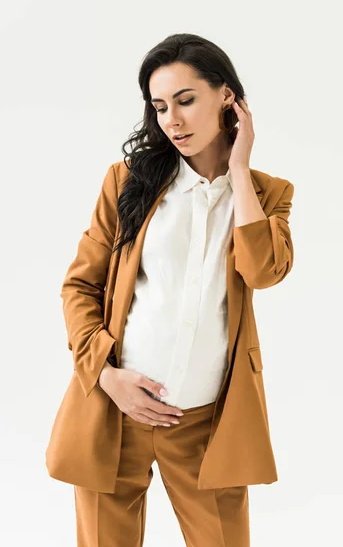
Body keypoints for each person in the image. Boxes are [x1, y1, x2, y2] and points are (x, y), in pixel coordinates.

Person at [46, 32, 295, 546]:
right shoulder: (127, 181)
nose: (172, 121)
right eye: (160, 107)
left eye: (185, 100)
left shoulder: (267, 194)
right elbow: (79, 286)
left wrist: (240, 171)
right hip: (114, 415)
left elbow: (264, 271)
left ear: (227, 97)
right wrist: (107, 376)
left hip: (206, 425)